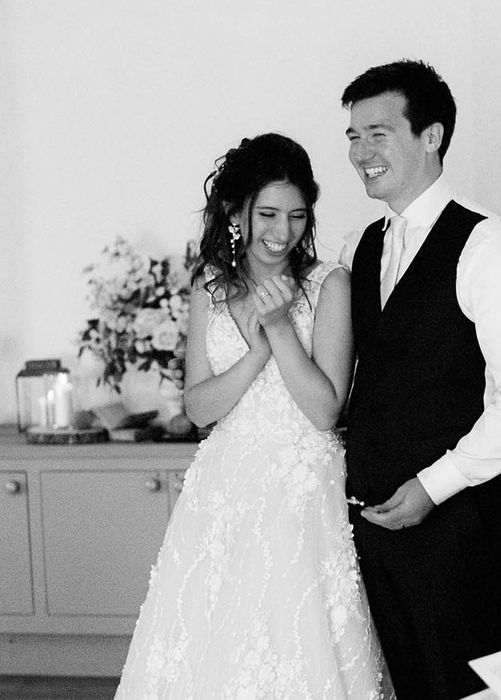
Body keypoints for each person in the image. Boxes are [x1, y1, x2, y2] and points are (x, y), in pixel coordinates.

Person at [116, 133, 393, 699]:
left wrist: (281, 328)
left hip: (301, 488)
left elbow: (323, 410)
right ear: (235, 211)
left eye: (296, 215)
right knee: (214, 639)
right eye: (267, 213)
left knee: (296, 638)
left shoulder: (328, 283)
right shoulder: (210, 285)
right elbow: (199, 407)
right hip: (225, 485)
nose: (282, 231)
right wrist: (259, 351)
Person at [339, 60, 501, 699]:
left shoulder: (488, 247)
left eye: (377, 133)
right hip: (372, 519)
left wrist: (435, 486)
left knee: (457, 685)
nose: (360, 152)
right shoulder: (363, 246)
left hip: (454, 522)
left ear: (431, 136)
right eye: (352, 136)